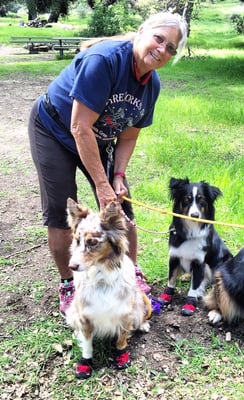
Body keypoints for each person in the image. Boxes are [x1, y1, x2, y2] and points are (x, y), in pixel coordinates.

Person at [28, 12, 188, 316]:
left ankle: (129, 272)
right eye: (159, 38)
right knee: (62, 209)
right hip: (54, 128)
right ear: (142, 31)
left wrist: (117, 175)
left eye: (171, 48)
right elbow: (79, 127)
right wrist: (101, 186)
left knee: (121, 206)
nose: (162, 50)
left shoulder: (151, 85)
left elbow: (127, 137)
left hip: (97, 138)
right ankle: (68, 285)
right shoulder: (104, 61)